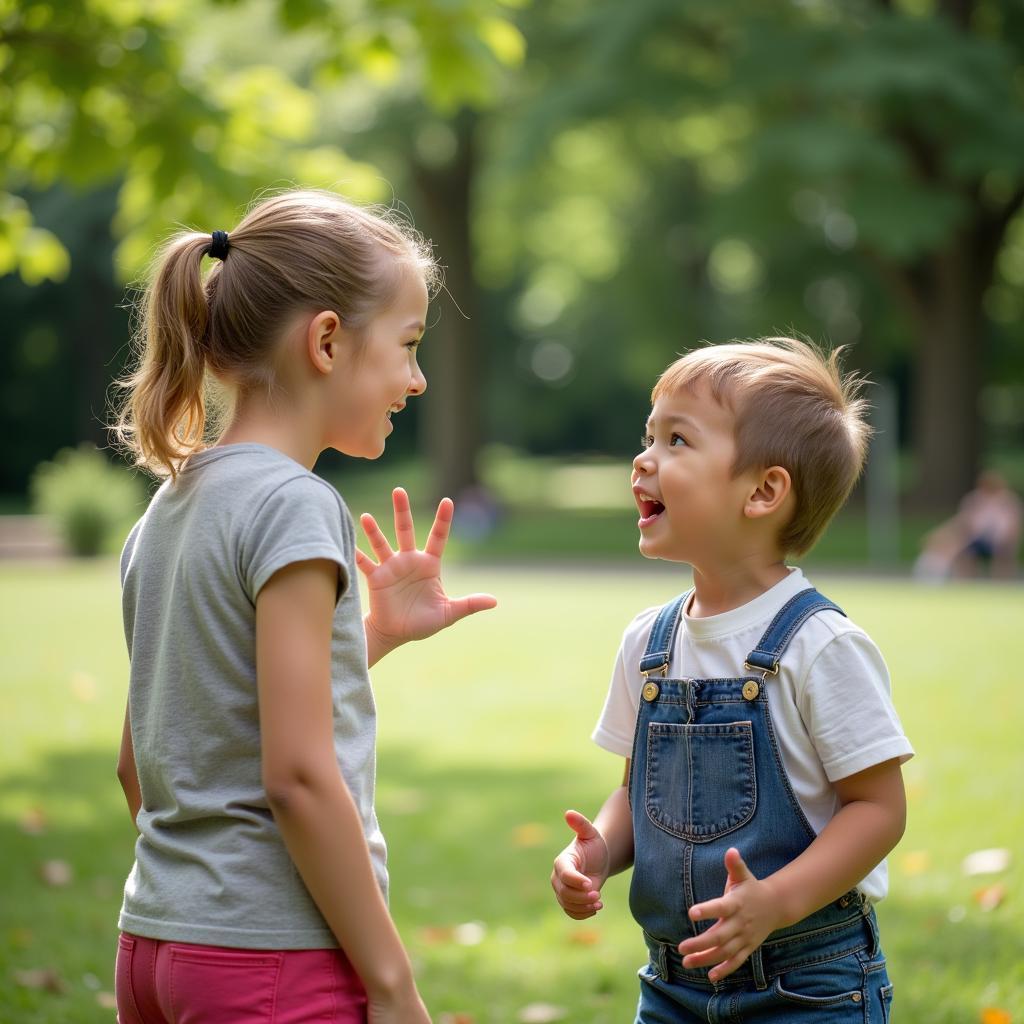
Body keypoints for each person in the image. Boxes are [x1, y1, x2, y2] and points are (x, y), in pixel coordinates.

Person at [111, 189, 497, 1024]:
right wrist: (391, 981)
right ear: (326, 341)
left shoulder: (170, 506)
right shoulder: (295, 504)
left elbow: (143, 759)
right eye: (408, 345)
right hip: (270, 958)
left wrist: (370, 636)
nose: (418, 378)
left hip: (153, 944)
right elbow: (295, 775)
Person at [550, 338, 913, 1022]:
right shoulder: (649, 645)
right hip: (672, 985)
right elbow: (637, 792)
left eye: (678, 439)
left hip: (809, 983)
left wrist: (778, 901)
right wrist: (598, 848)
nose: (644, 459)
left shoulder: (819, 645)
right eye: (648, 435)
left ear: (764, 491)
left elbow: (878, 809)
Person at [914, 470, 1022, 581]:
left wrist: (1010, 541)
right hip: (976, 538)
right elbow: (962, 521)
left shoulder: (1009, 502)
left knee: (1003, 557)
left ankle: (1001, 584)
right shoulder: (974, 499)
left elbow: (1014, 525)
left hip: (1000, 540)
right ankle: (966, 583)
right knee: (962, 552)